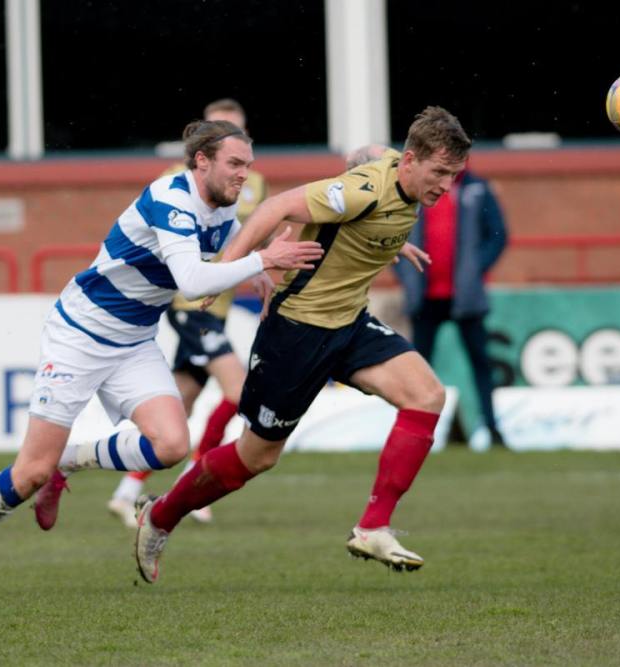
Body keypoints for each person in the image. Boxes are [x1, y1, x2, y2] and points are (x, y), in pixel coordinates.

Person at [0, 120, 323, 597]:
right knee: (30, 471)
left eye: (248, 165)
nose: (244, 174)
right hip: (79, 335)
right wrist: (262, 261)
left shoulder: (221, 207)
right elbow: (192, 282)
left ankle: (68, 462)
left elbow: (230, 242)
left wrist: (257, 265)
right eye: (235, 164)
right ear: (201, 161)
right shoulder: (170, 199)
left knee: (171, 445)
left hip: (134, 342)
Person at [133, 106, 472, 584]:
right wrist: (224, 270)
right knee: (257, 457)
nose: (445, 185)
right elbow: (275, 207)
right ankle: (161, 515)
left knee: (427, 396)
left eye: (453, 175)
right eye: (439, 173)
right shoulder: (360, 191)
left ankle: (373, 527)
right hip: (296, 331)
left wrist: (390, 241)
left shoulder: (395, 168)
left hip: (349, 324)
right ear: (412, 160)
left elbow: (364, 153)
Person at [108, 99, 267, 527]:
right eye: (224, 132)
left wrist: (261, 268)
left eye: (240, 134)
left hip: (219, 306)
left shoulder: (253, 183)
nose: (239, 160)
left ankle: (126, 492)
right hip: (190, 304)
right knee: (239, 392)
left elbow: (248, 237)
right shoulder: (175, 183)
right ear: (204, 151)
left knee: (182, 405)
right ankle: (195, 482)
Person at [393, 164, 509, 447]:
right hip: (425, 296)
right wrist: (406, 273)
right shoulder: (416, 188)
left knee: (480, 363)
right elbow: (391, 234)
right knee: (418, 369)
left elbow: (498, 234)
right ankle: (411, 433)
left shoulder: (477, 188)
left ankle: (491, 428)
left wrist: (475, 268)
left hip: (466, 296)